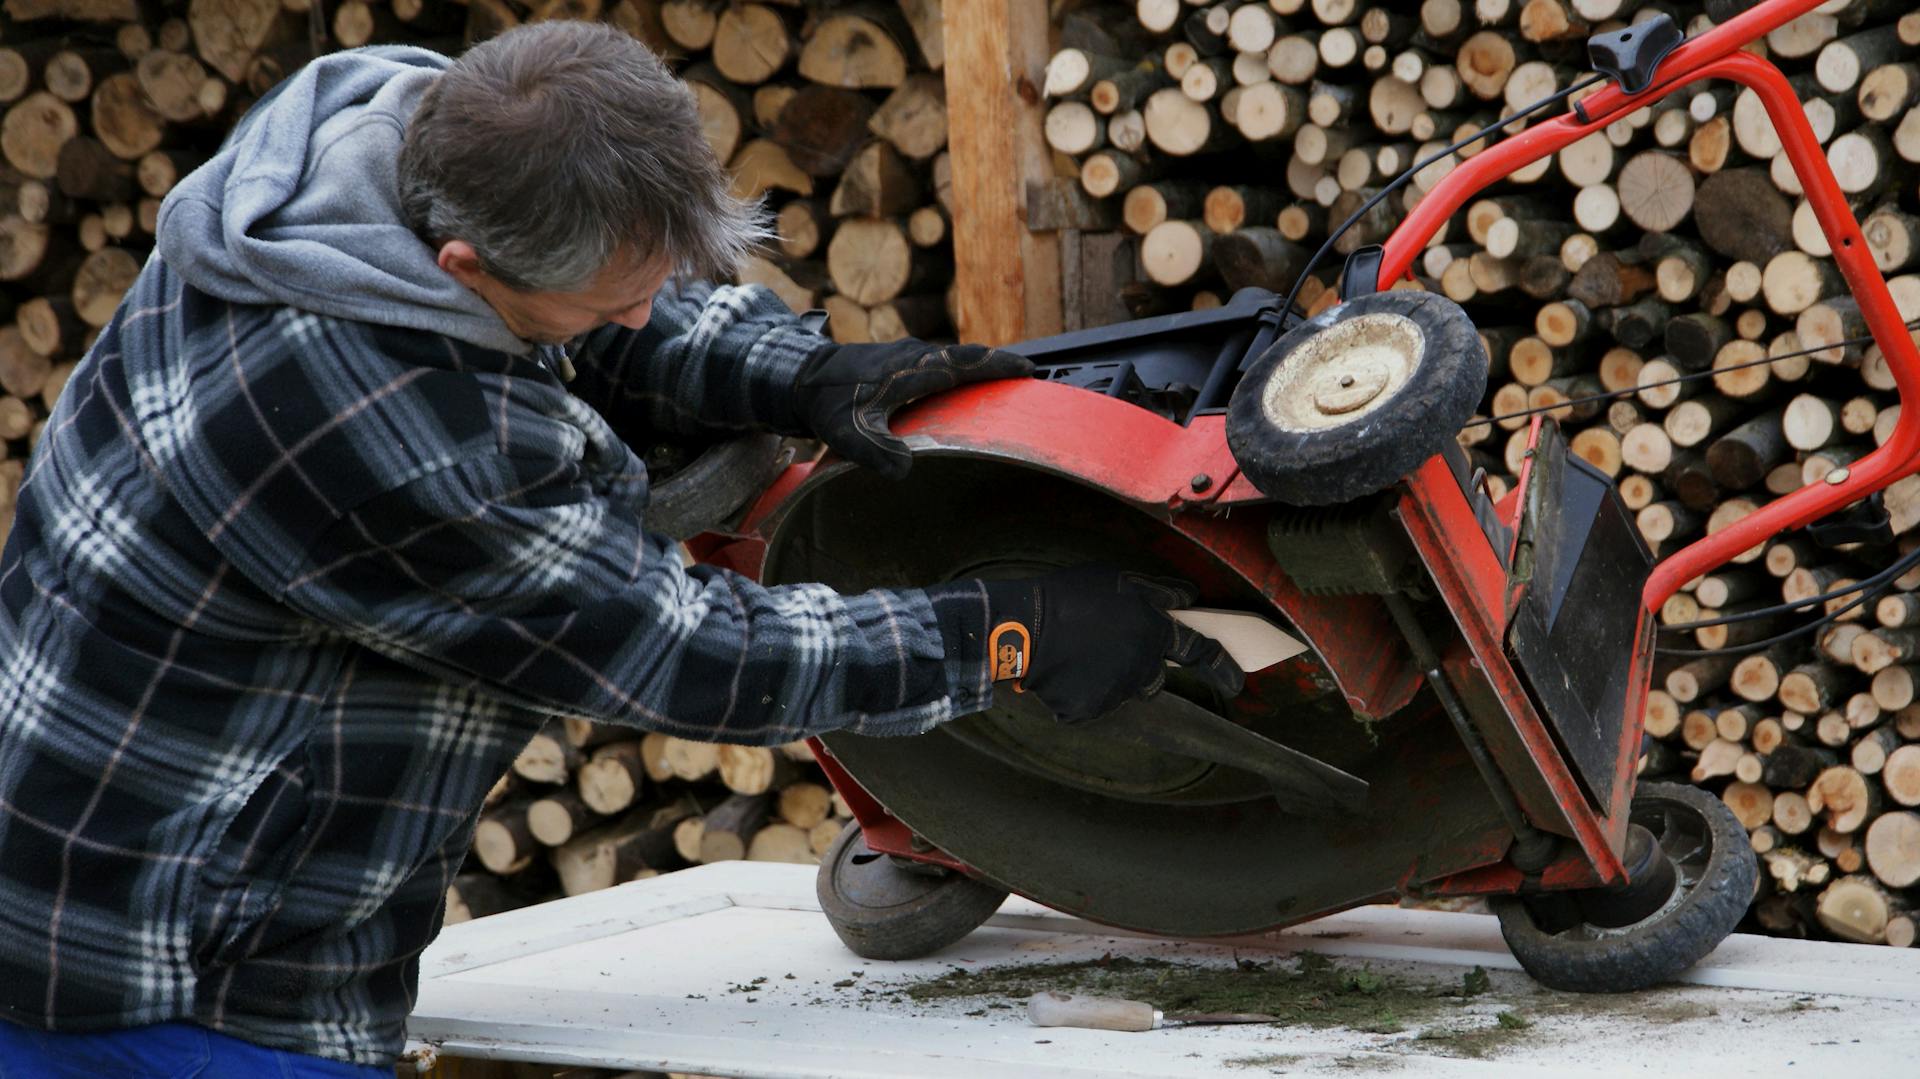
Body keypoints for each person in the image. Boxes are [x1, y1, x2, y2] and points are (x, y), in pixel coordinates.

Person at [0, 23, 1241, 1076]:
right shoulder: (382, 425)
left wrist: (802, 372)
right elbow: (688, 651)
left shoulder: (398, 133)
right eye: (610, 304)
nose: (642, 316)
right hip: (164, 960)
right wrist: (1005, 632)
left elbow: (604, 302)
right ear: (463, 266)